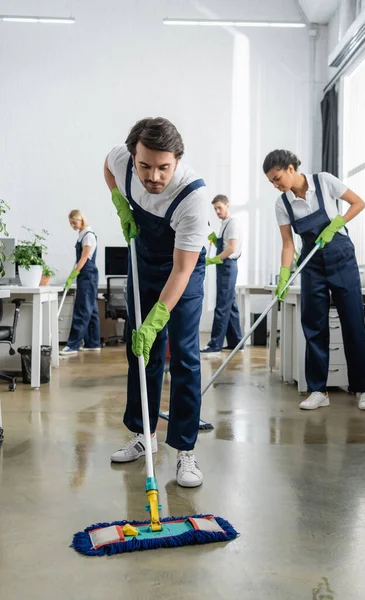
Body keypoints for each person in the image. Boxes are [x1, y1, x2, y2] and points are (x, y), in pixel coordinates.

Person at [104, 117, 208, 487]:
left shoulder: (193, 197)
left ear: (177, 160)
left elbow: (181, 271)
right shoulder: (123, 162)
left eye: (164, 167)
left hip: (183, 267)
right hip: (144, 262)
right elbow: (107, 165)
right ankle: (142, 435)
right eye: (145, 165)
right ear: (133, 156)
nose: (154, 176)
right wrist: (120, 203)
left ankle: (184, 450)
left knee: (182, 355)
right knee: (140, 350)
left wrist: (156, 319)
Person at [263, 149, 365, 411]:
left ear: (291, 168)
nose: (276, 185)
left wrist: (337, 223)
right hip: (312, 265)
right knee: (313, 325)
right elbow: (288, 244)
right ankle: (318, 390)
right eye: (271, 182)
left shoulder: (324, 181)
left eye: (277, 178)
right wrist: (284, 275)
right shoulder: (283, 204)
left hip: (341, 258)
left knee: (353, 322)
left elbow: (358, 202)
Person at [201, 194, 243, 354]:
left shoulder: (232, 223)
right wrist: (214, 238)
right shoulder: (225, 223)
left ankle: (215, 344)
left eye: (220, 207)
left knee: (222, 306)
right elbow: (224, 244)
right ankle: (236, 342)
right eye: (215, 208)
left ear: (227, 205)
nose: (217, 211)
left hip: (227, 266)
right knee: (230, 305)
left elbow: (231, 248)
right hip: (225, 267)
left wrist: (213, 260)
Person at [59, 210, 101, 356]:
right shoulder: (82, 235)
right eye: (71, 223)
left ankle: (73, 345)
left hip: (87, 274)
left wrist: (74, 274)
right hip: (86, 274)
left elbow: (84, 258)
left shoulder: (88, 236)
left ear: (81, 220)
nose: (72, 225)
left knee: (82, 309)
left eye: (74, 222)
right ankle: (93, 343)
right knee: (92, 309)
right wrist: (73, 274)